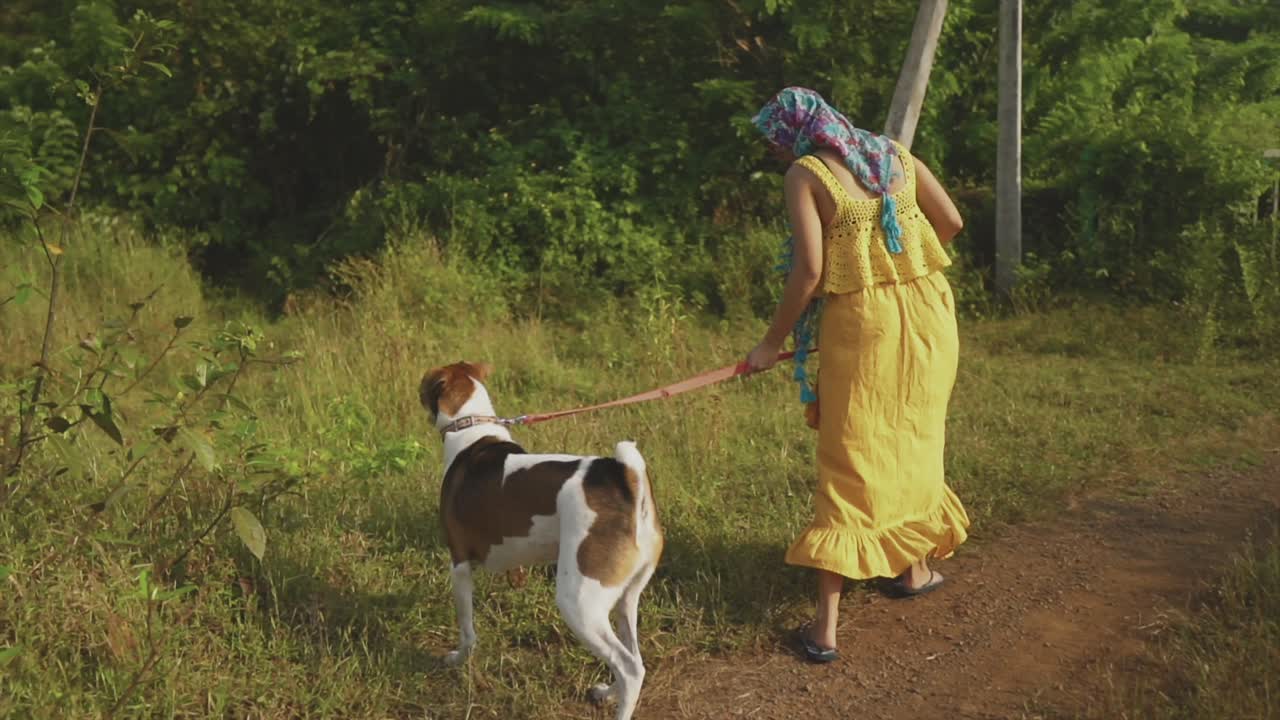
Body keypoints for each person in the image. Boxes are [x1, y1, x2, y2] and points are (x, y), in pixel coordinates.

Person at [744, 87, 971, 663]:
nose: (775, 151)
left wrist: (771, 344)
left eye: (774, 140)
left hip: (865, 323)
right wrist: (899, 262)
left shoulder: (806, 173)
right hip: (929, 312)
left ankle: (825, 629)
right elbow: (950, 222)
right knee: (913, 440)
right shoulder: (895, 154)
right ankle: (913, 571)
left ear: (793, 134)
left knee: (851, 457)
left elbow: (810, 272)